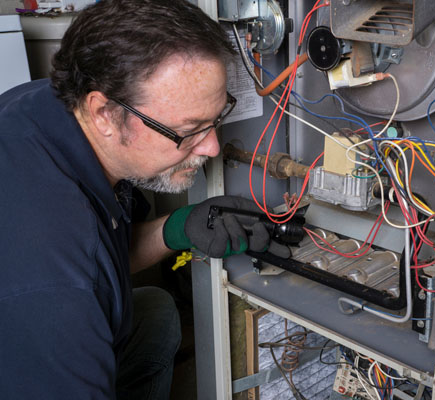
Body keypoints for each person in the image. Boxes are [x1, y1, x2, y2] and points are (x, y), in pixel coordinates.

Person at [0, 0, 288, 398]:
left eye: (216, 120)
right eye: (189, 129)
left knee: (154, 312)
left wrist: (178, 227)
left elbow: (105, 254)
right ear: (104, 113)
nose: (211, 147)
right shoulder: (58, 288)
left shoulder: (47, 105)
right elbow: (82, 270)